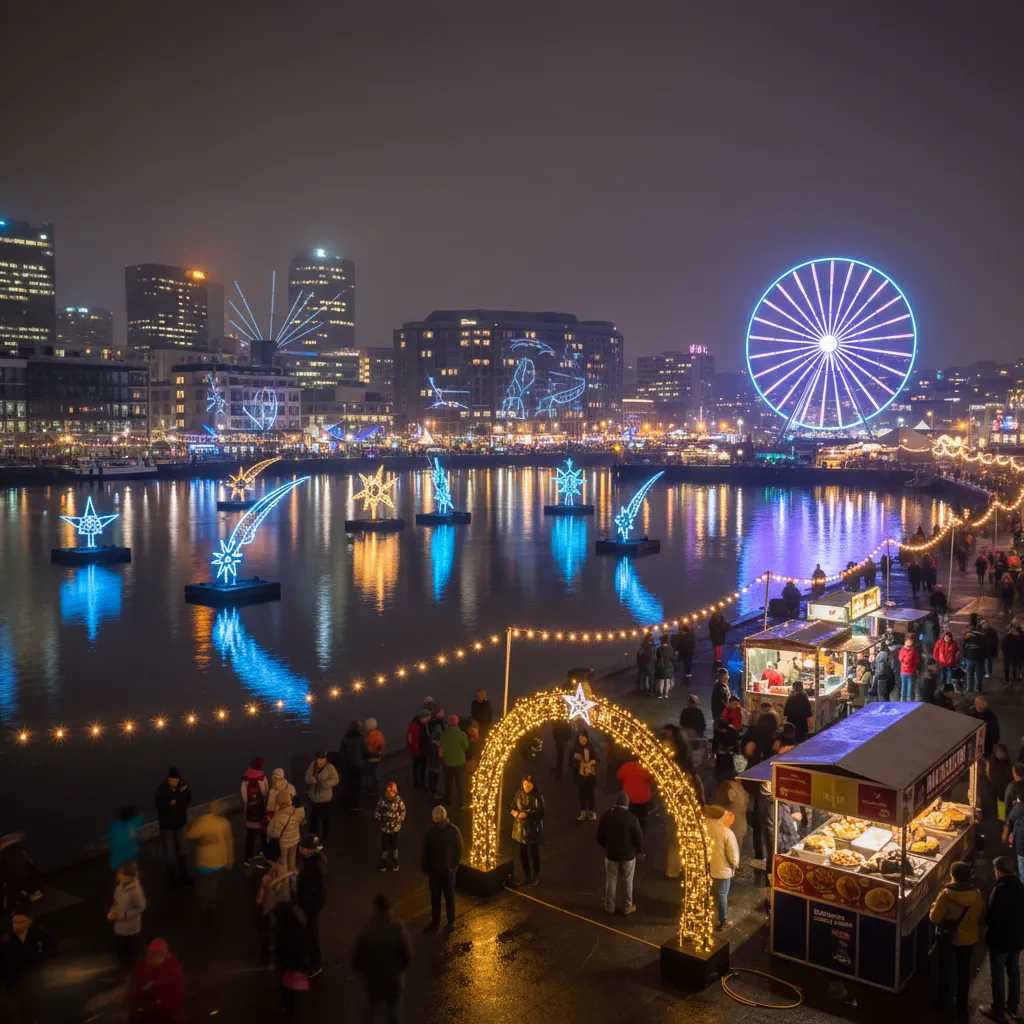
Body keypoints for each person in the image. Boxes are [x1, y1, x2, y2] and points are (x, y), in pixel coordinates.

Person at [929, 861, 985, 1016]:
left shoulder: (946, 895)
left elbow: (934, 918)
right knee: (963, 971)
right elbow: (980, 915)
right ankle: (961, 1002)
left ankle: (943, 1002)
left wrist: (933, 908)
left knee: (945, 969)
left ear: (952, 876)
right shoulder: (976, 895)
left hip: (948, 938)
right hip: (969, 938)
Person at [352, 893, 412, 1024]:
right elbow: (406, 955)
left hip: (374, 980)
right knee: (395, 1013)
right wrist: (399, 970)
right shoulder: (398, 928)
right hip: (393, 981)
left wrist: (364, 971)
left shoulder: (367, 929)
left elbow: (358, 956)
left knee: (369, 1011)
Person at [981, 855, 1024, 1022]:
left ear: (999, 871)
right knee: (1013, 971)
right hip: (1017, 939)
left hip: (1000, 940)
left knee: (998, 974)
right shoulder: (1021, 887)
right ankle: (1013, 1006)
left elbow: (992, 916)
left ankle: (998, 1010)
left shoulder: (1000, 889)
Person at [0, 909, 54, 1022]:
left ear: (30, 921)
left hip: (36, 978)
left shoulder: (39, 933)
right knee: (22, 1010)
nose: (18, 925)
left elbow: (51, 947)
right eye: (15, 922)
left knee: (37, 1006)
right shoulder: (5, 942)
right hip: (17, 983)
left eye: (22, 922)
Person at [596, 792, 644, 915]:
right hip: (628, 856)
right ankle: (627, 907)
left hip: (611, 854)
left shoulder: (607, 816)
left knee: (611, 881)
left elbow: (600, 836)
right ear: (627, 804)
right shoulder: (632, 818)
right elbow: (638, 837)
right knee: (628, 881)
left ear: (615, 803)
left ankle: (609, 907)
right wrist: (640, 851)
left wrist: (606, 846)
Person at [420, 806, 463, 933]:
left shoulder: (432, 832)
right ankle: (447, 922)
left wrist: (426, 867)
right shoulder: (453, 831)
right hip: (443, 871)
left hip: (438, 871)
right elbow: (459, 850)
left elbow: (425, 851)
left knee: (439, 897)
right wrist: (453, 866)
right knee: (446, 897)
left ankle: (438, 921)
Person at [186, 799, 233, 911]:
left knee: (205, 882)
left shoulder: (202, 821)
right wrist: (230, 859)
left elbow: (190, 834)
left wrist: (203, 839)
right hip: (217, 860)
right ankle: (210, 901)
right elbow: (229, 842)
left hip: (202, 860)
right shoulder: (224, 823)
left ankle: (206, 900)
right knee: (213, 883)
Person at [128, 937, 184, 1024]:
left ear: (165, 955)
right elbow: (134, 987)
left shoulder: (173, 970)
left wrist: (157, 984)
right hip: (145, 1011)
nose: (152, 959)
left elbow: (176, 996)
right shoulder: (142, 967)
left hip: (164, 1014)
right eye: (151, 955)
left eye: (157, 955)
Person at [296, 834, 328, 977]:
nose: (300, 849)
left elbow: (318, 888)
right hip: (309, 903)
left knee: (312, 932)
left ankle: (316, 962)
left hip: (311, 904)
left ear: (309, 850)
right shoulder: (316, 859)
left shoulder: (315, 866)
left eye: (302, 848)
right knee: (310, 930)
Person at [154, 766, 191, 889]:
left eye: (176, 779)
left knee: (182, 848)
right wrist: (170, 804)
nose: (175, 782)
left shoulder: (183, 785)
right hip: (167, 825)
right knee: (169, 852)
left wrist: (180, 804)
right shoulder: (162, 789)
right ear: (169, 779)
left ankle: (183, 875)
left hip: (180, 822)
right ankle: (172, 878)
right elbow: (158, 805)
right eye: (173, 780)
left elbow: (188, 797)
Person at [704, 806, 740, 930]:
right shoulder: (726, 832)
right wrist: (735, 864)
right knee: (722, 894)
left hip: (707, 867)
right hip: (722, 869)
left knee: (710, 894)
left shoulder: (704, 828)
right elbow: (732, 854)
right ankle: (722, 922)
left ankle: (706, 918)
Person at [274, 903, 310, 1021]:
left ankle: (287, 1010)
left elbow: (280, 949)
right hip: (295, 965)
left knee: (287, 990)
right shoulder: (299, 929)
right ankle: (290, 1011)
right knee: (291, 991)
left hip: (288, 966)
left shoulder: (284, 932)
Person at [108, 861, 146, 970]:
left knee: (131, 950)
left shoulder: (136, 891)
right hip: (120, 926)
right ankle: (122, 964)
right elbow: (116, 902)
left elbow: (141, 907)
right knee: (121, 947)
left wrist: (124, 915)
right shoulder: (119, 887)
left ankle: (132, 969)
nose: (119, 875)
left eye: (122, 873)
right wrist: (113, 911)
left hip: (131, 928)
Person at [510, 775, 545, 886]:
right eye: (525, 784)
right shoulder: (519, 793)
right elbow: (512, 806)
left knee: (534, 851)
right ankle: (526, 875)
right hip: (521, 829)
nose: (527, 787)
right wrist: (514, 812)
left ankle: (535, 874)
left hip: (532, 829)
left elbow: (541, 812)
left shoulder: (537, 796)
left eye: (529, 785)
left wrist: (528, 815)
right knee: (523, 853)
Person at [256, 860, 294, 958]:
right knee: (271, 927)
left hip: (267, 908)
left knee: (269, 927)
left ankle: (267, 948)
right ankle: (269, 948)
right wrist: (292, 872)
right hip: (269, 908)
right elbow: (280, 879)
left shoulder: (266, 880)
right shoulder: (269, 881)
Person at [713, 757, 749, 850]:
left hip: (730, 827)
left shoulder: (726, 787)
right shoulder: (739, 786)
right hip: (740, 826)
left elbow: (719, 806)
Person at [304, 750, 339, 841]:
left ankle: (324, 837)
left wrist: (325, 783)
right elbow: (307, 778)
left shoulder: (330, 767)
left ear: (325, 759)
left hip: (325, 799)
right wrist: (311, 780)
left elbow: (336, 779)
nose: (319, 761)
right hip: (314, 798)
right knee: (314, 818)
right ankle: (312, 837)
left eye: (321, 759)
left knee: (325, 819)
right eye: (317, 759)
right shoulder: (312, 765)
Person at [241, 756, 269, 864]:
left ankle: (248, 858)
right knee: (263, 837)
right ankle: (266, 856)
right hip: (261, 813)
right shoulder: (262, 778)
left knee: (250, 838)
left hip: (250, 814)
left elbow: (244, 797)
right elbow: (266, 794)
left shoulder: (245, 779)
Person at [267, 791, 305, 872]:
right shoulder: (300, 810)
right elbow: (302, 822)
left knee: (283, 862)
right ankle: (293, 878)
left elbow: (273, 833)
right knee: (292, 858)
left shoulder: (278, 816)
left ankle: (285, 882)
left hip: (284, 843)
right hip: (295, 838)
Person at [374, 781, 407, 873]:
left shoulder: (399, 801)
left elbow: (403, 813)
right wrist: (381, 816)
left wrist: (397, 820)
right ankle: (384, 860)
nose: (389, 794)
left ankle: (395, 860)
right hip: (385, 829)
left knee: (395, 845)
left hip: (395, 829)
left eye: (391, 792)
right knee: (384, 846)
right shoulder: (382, 801)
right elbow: (376, 813)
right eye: (388, 792)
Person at [439, 714, 469, 809]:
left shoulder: (443, 734)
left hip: (447, 763)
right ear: (457, 723)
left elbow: (441, 750)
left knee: (448, 784)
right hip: (459, 763)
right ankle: (461, 804)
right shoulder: (462, 734)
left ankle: (448, 803)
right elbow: (466, 747)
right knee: (460, 784)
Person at [617, 760, 654, 833]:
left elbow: (619, 777)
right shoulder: (646, 768)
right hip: (643, 799)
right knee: (642, 820)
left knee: (629, 818)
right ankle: (640, 837)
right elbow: (651, 779)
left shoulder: (626, 766)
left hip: (629, 798)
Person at [339, 721, 369, 809]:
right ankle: (354, 804)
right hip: (358, 765)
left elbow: (342, 751)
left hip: (348, 764)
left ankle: (346, 801)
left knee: (348, 783)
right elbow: (365, 751)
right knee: (357, 785)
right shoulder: (360, 738)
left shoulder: (345, 738)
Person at [108, 806, 144, 875]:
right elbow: (134, 843)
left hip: (119, 859)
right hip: (129, 858)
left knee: (121, 874)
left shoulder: (117, 828)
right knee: (131, 874)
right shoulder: (133, 828)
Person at [572, 729, 599, 820]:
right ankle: (583, 812)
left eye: (583, 738)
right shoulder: (577, 748)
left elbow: (596, 758)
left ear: (587, 738)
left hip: (590, 774)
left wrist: (592, 762)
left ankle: (591, 812)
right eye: (580, 739)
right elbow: (573, 760)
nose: (581, 741)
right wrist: (577, 759)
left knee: (591, 793)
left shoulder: (591, 747)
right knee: (582, 794)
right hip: (581, 774)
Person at [406, 710, 429, 789]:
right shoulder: (416, 727)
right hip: (419, 751)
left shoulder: (415, 725)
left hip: (418, 750)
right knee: (421, 768)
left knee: (416, 767)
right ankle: (421, 783)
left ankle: (417, 783)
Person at [425, 712, 444, 799]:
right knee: (435, 777)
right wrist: (440, 761)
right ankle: (434, 792)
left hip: (432, 761)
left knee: (432, 775)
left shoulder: (430, 741)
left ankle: (431, 790)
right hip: (436, 762)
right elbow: (439, 755)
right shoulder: (437, 745)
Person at [364, 719, 385, 795]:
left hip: (367, 758)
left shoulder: (365, 735)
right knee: (374, 773)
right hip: (375, 757)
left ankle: (367, 787)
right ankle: (374, 788)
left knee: (367, 773)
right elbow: (381, 746)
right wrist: (379, 753)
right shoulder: (378, 734)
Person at [897, 636, 921, 702]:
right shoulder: (903, 651)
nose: (909, 642)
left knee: (909, 688)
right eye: (908, 641)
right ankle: (903, 700)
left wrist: (910, 661)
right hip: (904, 671)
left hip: (911, 672)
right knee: (904, 687)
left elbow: (917, 660)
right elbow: (901, 659)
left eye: (910, 641)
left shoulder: (914, 651)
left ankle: (908, 701)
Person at [964, 629, 987, 694]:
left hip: (970, 659)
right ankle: (978, 688)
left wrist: (966, 656)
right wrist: (983, 658)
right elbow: (986, 651)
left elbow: (964, 648)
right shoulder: (983, 641)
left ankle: (970, 688)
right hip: (979, 660)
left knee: (969, 674)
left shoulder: (968, 640)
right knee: (979, 675)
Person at [1003, 620, 1023, 690]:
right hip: (1014, 655)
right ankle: (1013, 678)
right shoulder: (1018, 636)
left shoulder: (1007, 636)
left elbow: (1003, 646)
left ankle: (1008, 679)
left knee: (1009, 667)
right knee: (1013, 666)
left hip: (1009, 655)